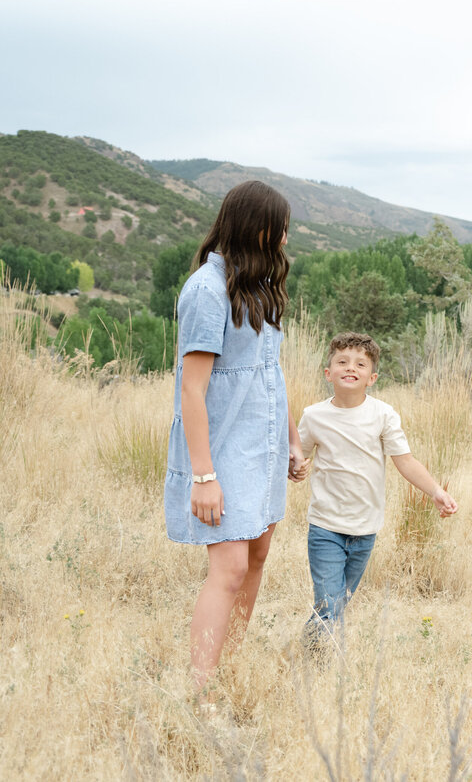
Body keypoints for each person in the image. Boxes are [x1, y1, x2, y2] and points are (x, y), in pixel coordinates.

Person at [163, 180, 308, 697]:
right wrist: (203, 475)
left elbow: (271, 371)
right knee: (228, 568)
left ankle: (230, 671)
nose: (287, 236)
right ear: (256, 226)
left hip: (264, 444)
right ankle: (197, 694)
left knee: (259, 554)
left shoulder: (259, 284)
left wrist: (291, 439)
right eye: (281, 225)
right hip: (223, 449)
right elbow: (192, 389)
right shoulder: (205, 289)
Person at [297, 332, 457, 652]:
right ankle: (317, 660)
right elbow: (298, 456)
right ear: (328, 373)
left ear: (372, 377)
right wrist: (297, 468)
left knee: (340, 600)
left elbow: (405, 461)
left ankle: (310, 647)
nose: (350, 367)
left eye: (360, 363)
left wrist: (435, 491)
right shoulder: (314, 415)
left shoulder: (383, 414)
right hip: (326, 526)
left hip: (365, 529)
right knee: (329, 603)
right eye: (341, 361)